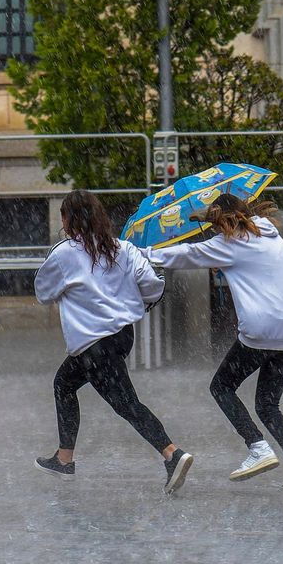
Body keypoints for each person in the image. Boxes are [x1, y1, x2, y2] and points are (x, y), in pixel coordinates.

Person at [145, 193, 283, 492]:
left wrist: (140, 253)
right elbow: (253, 270)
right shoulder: (272, 238)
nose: (214, 231)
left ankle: (258, 448)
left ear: (222, 220)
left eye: (214, 225)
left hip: (262, 329)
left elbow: (184, 255)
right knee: (268, 405)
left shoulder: (230, 244)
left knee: (221, 386)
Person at [33, 189, 193, 494]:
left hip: (94, 344)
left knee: (127, 404)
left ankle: (172, 454)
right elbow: (152, 287)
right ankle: (64, 458)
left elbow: (43, 292)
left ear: (68, 220)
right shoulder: (124, 249)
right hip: (120, 338)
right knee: (64, 383)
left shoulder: (65, 253)